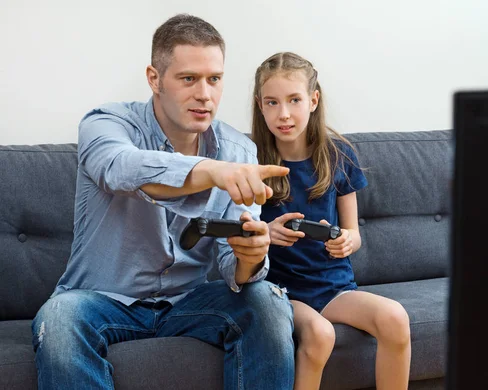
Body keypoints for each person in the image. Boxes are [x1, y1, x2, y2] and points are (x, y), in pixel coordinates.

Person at [31, 14, 295, 390]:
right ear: (154, 78)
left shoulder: (239, 150)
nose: (205, 94)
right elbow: (121, 169)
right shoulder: (106, 124)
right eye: (189, 78)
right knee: (58, 319)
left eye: (214, 79)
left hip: (189, 302)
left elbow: (231, 268)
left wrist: (249, 256)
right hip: (101, 300)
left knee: (267, 300)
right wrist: (211, 170)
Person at [251, 52, 412, 390]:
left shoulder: (339, 155)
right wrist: (269, 232)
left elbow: (353, 233)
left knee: (395, 317)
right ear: (260, 105)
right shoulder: (250, 161)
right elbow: (242, 233)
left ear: (313, 100)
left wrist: (346, 240)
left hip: (333, 287)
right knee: (320, 335)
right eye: (272, 102)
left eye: (294, 100)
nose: (284, 114)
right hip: (281, 291)